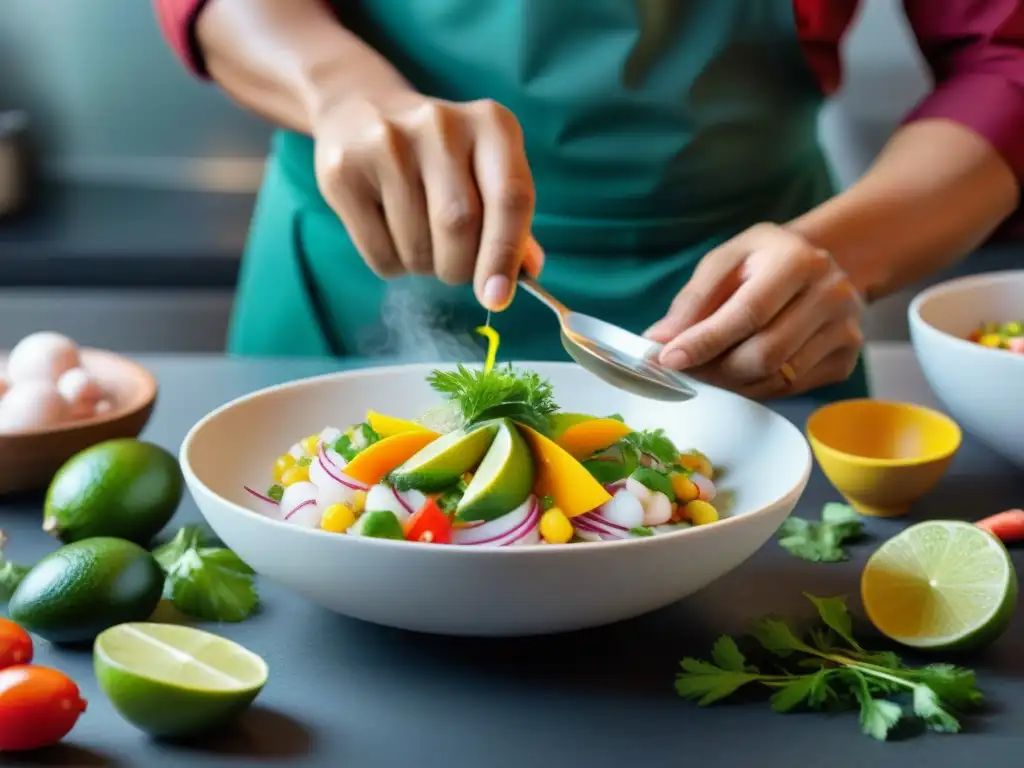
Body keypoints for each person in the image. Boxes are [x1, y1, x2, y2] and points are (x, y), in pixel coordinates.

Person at [155, 0, 1023, 401]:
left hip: (755, 301)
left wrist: (850, 253)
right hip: (355, 258)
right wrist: (338, 88)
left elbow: (1006, 57)